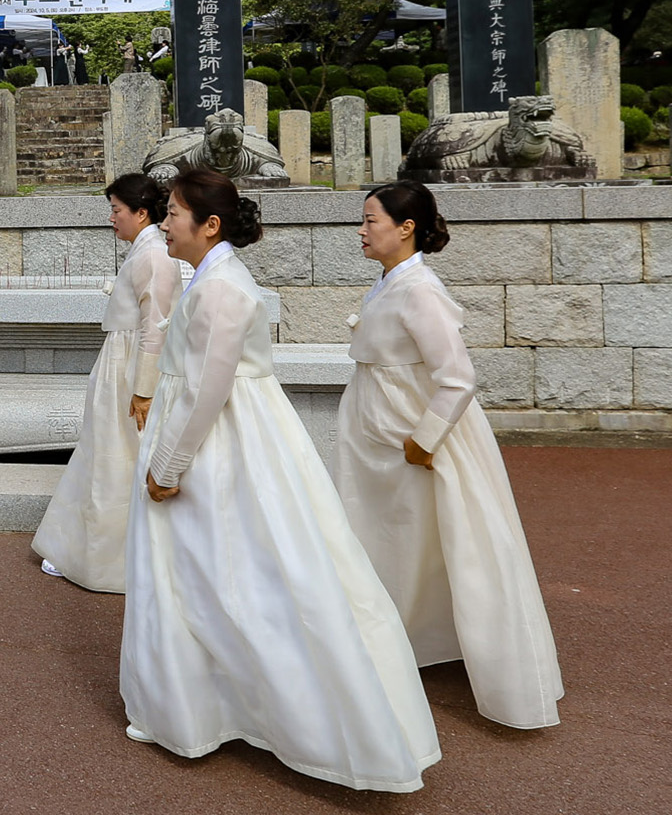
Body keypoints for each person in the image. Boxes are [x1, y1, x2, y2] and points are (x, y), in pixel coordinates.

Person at [121, 167, 440, 792]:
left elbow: (210, 389)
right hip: (230, 434)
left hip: (225, 444)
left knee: (222, 574)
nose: (164, 224)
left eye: (174, 213)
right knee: (207, 572)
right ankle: (198, 704)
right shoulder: (214, 277)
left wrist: (167, 465)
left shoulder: (221, 289)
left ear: (209, 225)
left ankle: (249, 708)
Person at [334, 180, 564, 730]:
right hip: (380, 441)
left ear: (405, 227)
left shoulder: (420, 290)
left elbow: (457, 378)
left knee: (446, 541)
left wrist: (425, 439)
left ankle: (446, 645)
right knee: (398, 541)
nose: (361, 230)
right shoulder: (390, 282)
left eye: (371, 220)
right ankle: (401, 638)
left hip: (412, 443)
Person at [32, 174, 180, 593]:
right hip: (122, 360)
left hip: (131, 366)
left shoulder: (153, 256)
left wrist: (144, 387)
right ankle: (88, 549)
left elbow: (157, 325)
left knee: (119, 458)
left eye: (117, 210)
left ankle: (113, 559)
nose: (112, 218)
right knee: (106, 454)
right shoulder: (145, 251)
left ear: (141, 212)